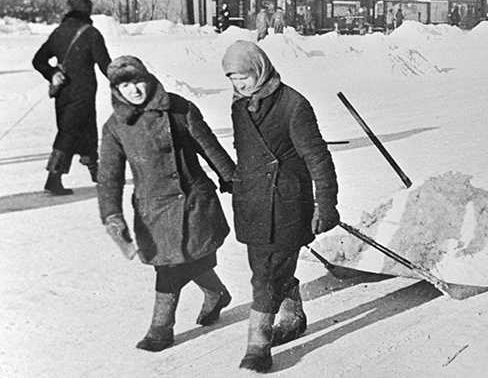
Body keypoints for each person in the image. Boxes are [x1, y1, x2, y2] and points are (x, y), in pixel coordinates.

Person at [96, 56, 237, 352]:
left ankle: (161, 328)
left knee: (173, 265)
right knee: (177, 258)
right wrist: (111, 215)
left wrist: (232, 179)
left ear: (147, 78)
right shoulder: (115, 127)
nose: (133, 90)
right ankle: (217, 293)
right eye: (124, 85)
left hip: (193, 200)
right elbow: (109, 176)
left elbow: (208, 145)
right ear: (115, 90)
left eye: (137, 81)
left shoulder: (178, 107)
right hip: (154, 209)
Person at [221, 41, 339, 373]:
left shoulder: (293, 105)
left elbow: (317, 158)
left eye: (243, 76)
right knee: (266, 269)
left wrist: (326, 204)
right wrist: (235, 178)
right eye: (232, 78)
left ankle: (257, 346)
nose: (239, 84)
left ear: (259, 68)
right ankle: (294, 315)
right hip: (254, 203)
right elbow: (245, 153)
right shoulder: (240, 106)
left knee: (266, 276)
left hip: (288, 204)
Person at [32, 0, 111, 195]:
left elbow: (38, 60)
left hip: (62, 93)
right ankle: (54, 178)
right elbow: (105, 65)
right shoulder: (91, 33)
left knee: (80, 129)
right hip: (84, 92)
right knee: (70, 131)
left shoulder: (58, 32)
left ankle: (96, 173)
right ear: (87, 12)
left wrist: (52, 73)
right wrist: (123, 80)